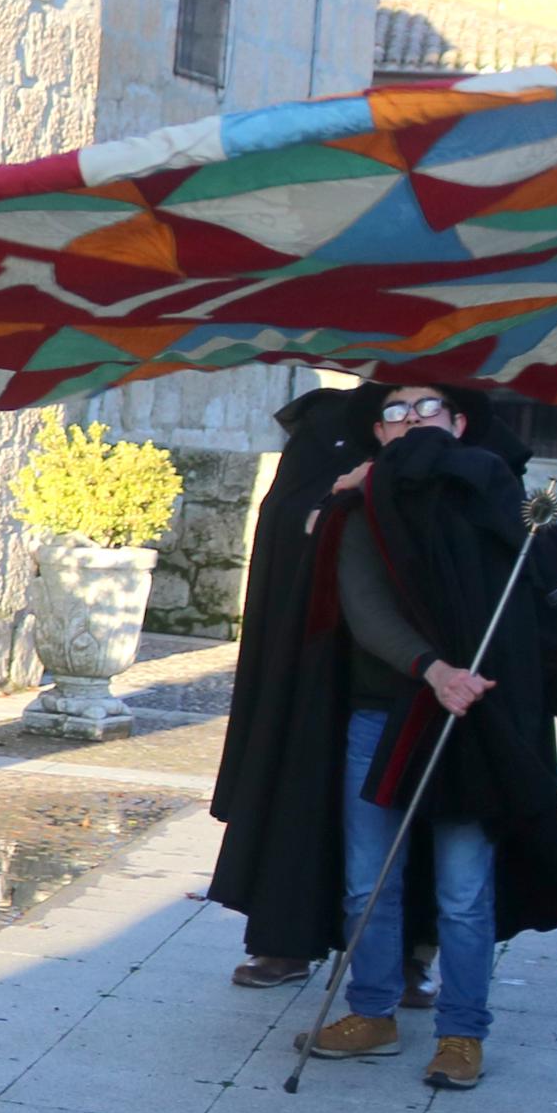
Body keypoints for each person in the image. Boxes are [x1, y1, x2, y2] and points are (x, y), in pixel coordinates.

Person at [300, 381, 557, 1089]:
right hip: (384, 712)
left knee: (462, 890)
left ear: (459, 424)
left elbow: (551, 601)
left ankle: (461, 1032)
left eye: (427, 408)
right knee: (369, 881)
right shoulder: (361, 505)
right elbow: (364, 607)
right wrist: (433, 670)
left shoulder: (501, 499)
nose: (411, 420)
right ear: (379, 433)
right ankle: (372, 1010)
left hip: (472, 718)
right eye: (395, 412)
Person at [208, 381, 389, 987]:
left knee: (408, 802)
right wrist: (334, 509)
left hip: (408, 662)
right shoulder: (329, 424)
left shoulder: (460, 423)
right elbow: (285, 514)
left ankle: (411, 954)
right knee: (301, 787)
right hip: (315, 651)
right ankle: (286, 938)